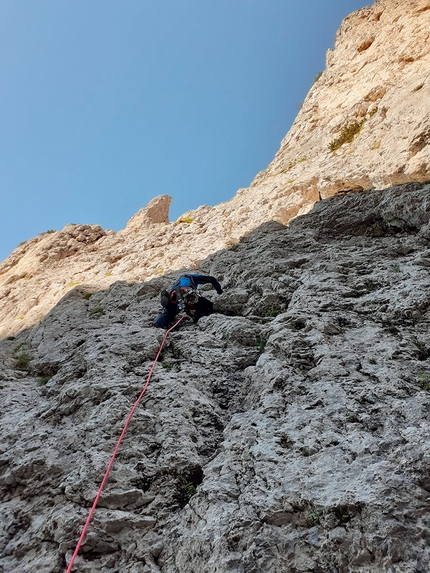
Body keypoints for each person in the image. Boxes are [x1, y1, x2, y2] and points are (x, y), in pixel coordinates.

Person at [154, 273, 223, 329]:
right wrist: (220, 291)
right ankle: (199, 315)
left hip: (173, 299)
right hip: (186, 292)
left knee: (169, 313)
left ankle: (159, 323)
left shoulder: (176, 283)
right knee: (207, 305)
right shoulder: (191, 277)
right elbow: (212, 279)